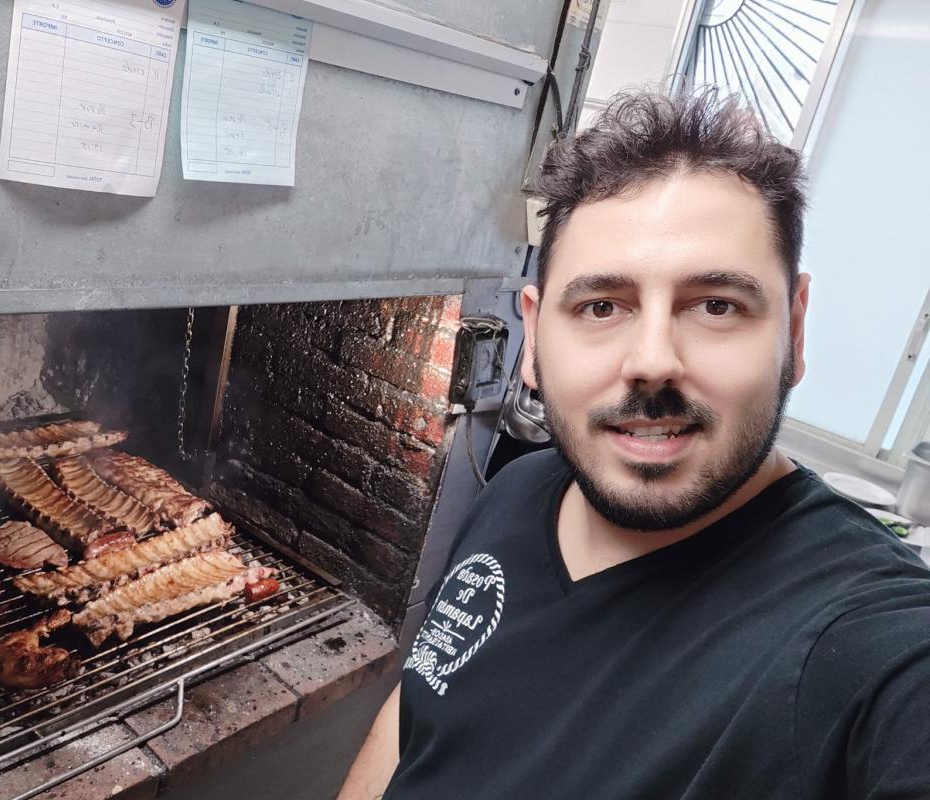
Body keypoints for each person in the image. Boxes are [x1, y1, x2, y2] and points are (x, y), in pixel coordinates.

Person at [337, 90, 930, 799]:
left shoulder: (872, 647)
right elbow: (416, 715)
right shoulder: (519, 492)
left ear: (794, 334)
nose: (652, 361)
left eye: (717, 305)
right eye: (601, 306)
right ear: (532, 337)